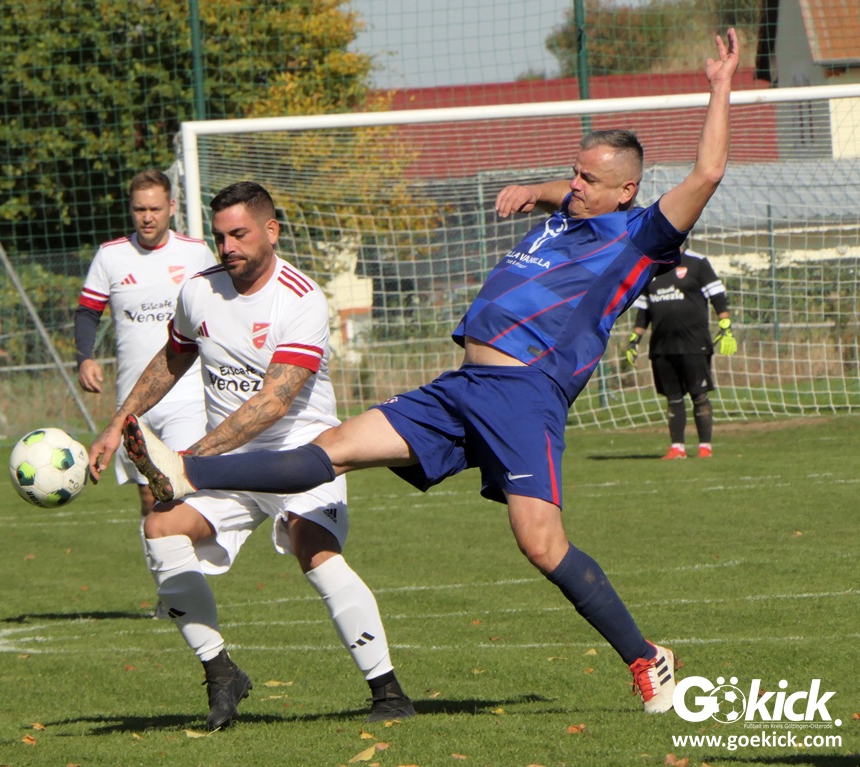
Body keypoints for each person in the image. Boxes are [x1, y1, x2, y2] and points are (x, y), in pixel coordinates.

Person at [115, 29, 740, 717]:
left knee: (541, 544)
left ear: (627, 190)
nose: (573, 184)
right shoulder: (570, 211)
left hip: (525, 395)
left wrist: (718, 87)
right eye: (573, 172)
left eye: (588, 179)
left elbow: (707, 173)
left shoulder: (640, 234)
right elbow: (560, 193)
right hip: (462, 387)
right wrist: (534, 190)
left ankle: (647, 658)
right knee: (332, 448)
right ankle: (187, 472)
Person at [88, 181, 415, 730]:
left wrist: (190, 461)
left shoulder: (301, 297)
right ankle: (221, 673)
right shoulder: (199, 291)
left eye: (239, 234)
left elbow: (272, 403)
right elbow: (172, 358)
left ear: (272, 230)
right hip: (228, 463)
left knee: (315, 549)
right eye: (221, 237)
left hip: (302, 456)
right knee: (160, 528)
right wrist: (118, 423)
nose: (228, 247)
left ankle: (388, 691)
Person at [75, 169, 215, 519]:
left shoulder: (196, 253)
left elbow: (222, 306)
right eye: (140, 209)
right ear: (131, 209)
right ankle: (162, 555)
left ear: (171, 207)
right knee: (149, 499)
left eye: (155, 209)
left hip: (187, 394)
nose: (147, 217)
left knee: (180, 490)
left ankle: (189, 553)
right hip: (134, 399)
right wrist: (84, 358)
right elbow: (88, 312)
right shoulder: (111, 256)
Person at [625, 242, 737, 459]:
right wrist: (634, 340)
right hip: (662, 346)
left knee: (699, 395)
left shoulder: (697, 263)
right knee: (673, 397)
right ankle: (677, 448)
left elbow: (717, 296)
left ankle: (705, 447)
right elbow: (643, 311)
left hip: (694, 343)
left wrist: (726, 326)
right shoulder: (652, 267)